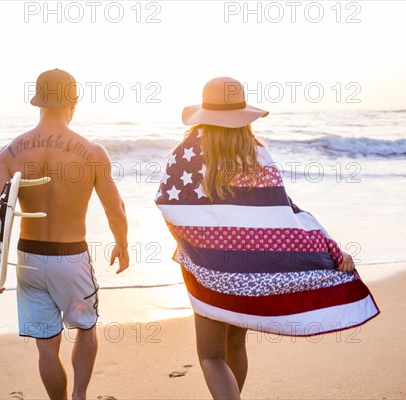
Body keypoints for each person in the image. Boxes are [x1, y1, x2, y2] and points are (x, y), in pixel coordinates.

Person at [155, 77, 379, 399]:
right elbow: (284, 213)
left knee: (210, 355)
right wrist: (331, 248)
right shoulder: (257, 153)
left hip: (205, 267)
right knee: (235, 343)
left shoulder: (186, 152)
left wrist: (197, 248)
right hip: (250, 270)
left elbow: (169, 205)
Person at [0, 68, 129, 400]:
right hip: (71, 258)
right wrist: (122, 244)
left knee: (47, 348)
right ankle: (79, 395)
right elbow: (114, 208)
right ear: (73, 102)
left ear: (38, 103)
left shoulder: (12, 152)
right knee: (86, 327)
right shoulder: (92, 152)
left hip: (28, 260)